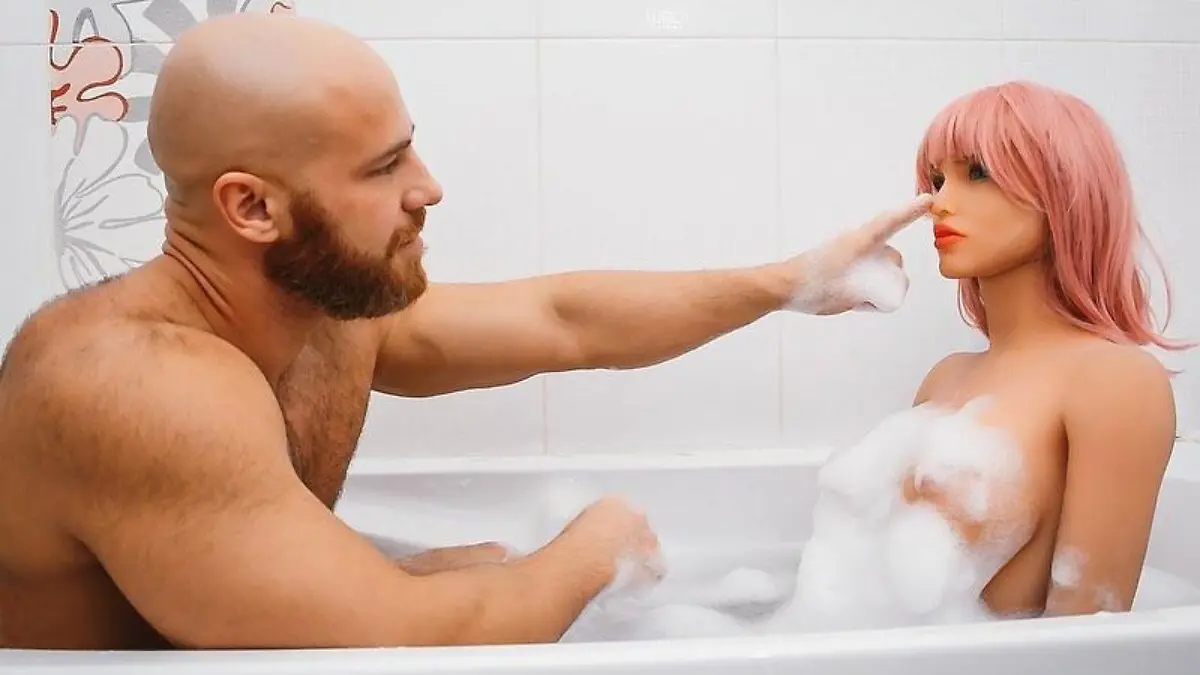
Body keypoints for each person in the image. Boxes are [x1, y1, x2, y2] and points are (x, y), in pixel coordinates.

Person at [0, 13, 932, 650]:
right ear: (251, 206)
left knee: (470, 564)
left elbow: (562, 321)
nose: (429, 185)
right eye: (385, 165)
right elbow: (413, 641)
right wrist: (596, 545)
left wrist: (790, 282)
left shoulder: (322, 313)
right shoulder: (136, 386)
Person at [903, 80, 1191, 619]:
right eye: (937, 179)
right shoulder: (944, 378)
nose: (938, 202)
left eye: (978, 173)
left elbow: (1084, 638)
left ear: (1063, 190)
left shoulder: (1114, 380)